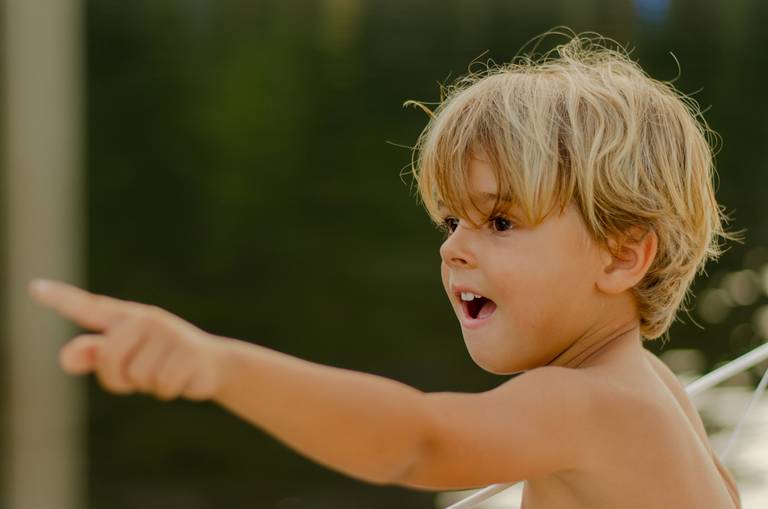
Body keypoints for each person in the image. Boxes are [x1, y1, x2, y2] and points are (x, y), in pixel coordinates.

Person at [28, 29, 743, 508]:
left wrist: (217, 366)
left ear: (623, 254)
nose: (455, 247)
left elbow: (418, 439)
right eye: (451, 220)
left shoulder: (588, 403)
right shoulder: (650, 386)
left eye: (499, 221)